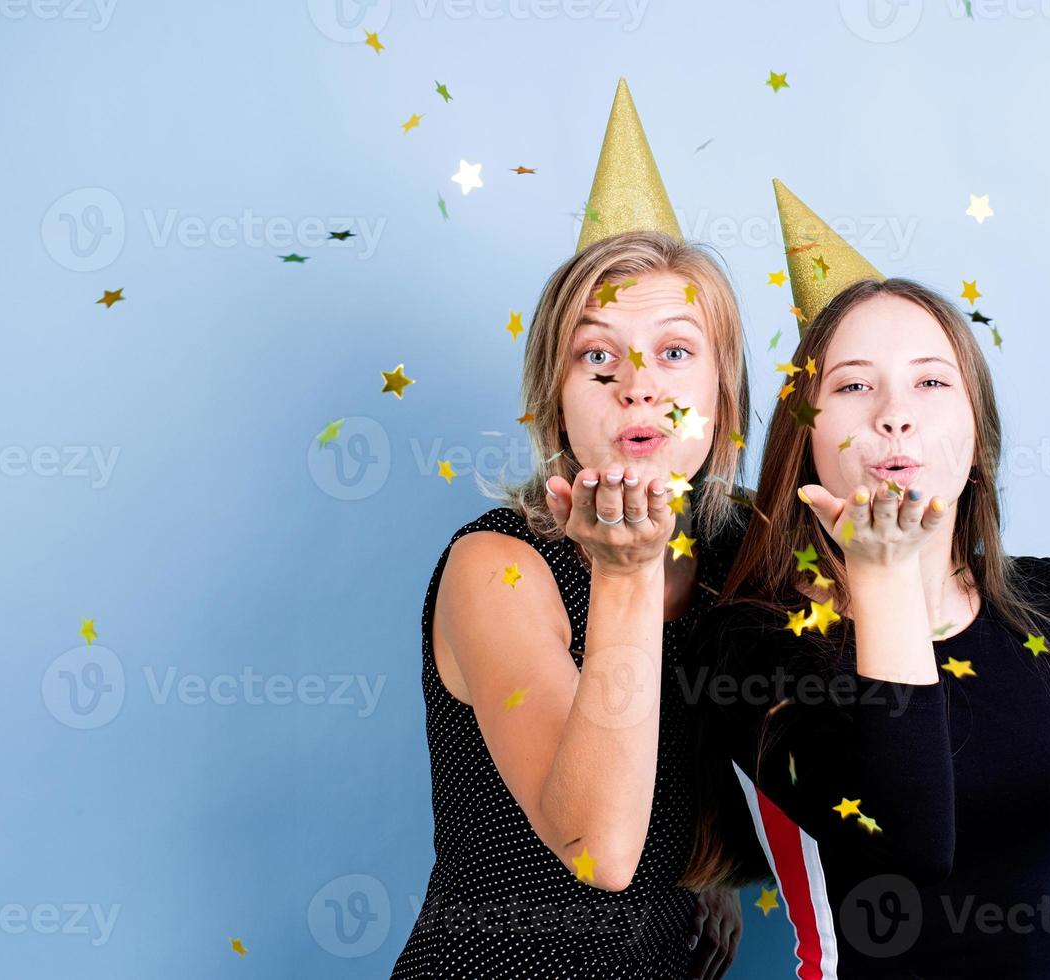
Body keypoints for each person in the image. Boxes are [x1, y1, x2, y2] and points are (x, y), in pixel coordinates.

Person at [679, 181, 1050, 978]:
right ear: (807, 440)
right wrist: (885, 572)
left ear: (976, 433)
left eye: (931, 383)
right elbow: (910, 844)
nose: (894, 414)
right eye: (853, 386)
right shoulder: (750, 644)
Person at [391, 80, 749, 980]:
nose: (635, 385)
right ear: (555, 398)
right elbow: (601, 852)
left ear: (720, 396)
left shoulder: (739, 556)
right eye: (597, 355)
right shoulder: (498, 567)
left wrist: (707, 873)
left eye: (674, 351)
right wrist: (625, 574)